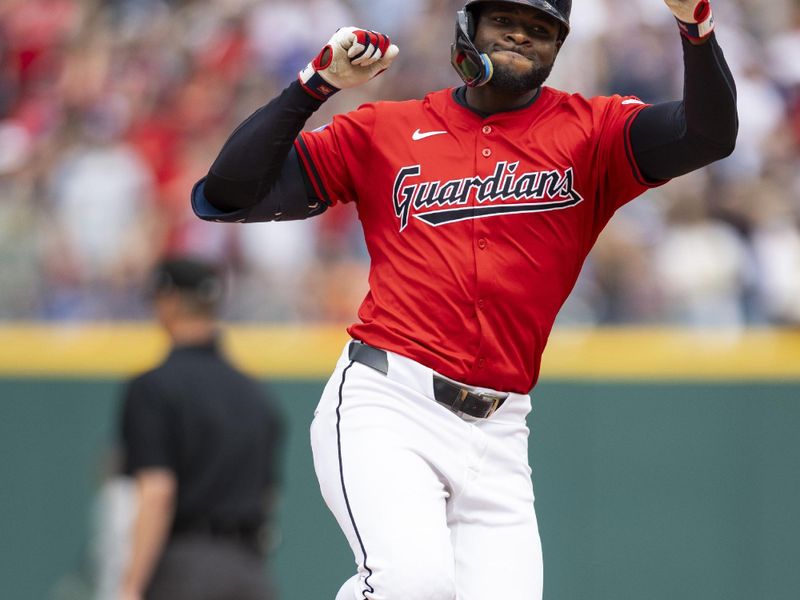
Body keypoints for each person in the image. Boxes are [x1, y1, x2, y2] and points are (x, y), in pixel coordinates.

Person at [190, 1, 737, 598]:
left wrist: (696, 26)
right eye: (506, 21)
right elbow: (229, 191)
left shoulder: (593, 131)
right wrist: (314, 85)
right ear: (468, 27)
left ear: (559, 48)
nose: (521, 37)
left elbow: (708, 133)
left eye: (540, 29)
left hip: (501, 428)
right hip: (390, 402)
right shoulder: (385, 129)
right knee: (411, 584)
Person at [118, 257, 284, 600]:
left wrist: (131, 585)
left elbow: (157, 492)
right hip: (250, 573)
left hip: (185, 571)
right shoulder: (254, 391)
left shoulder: (154, 386)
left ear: (170, 301)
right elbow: (268, 495)